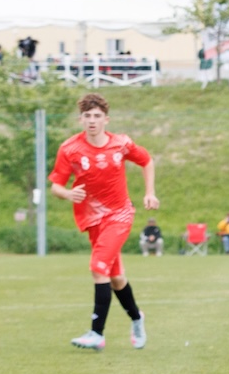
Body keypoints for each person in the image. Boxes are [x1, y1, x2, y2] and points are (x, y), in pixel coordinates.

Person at [49, 93, 158, 351]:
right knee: (116, 277)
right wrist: (68, 194)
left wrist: (150, 192)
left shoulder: (121, 144)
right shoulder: (70, 149)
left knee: (98, 268)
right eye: (87, 116)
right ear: (81, 119)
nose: (92, 120)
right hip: (93, 220)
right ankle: (137, 318)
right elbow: (56, 186)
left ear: (106, 119)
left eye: (97, 116)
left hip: (120, 215)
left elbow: (146, 160)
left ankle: (97, 333)